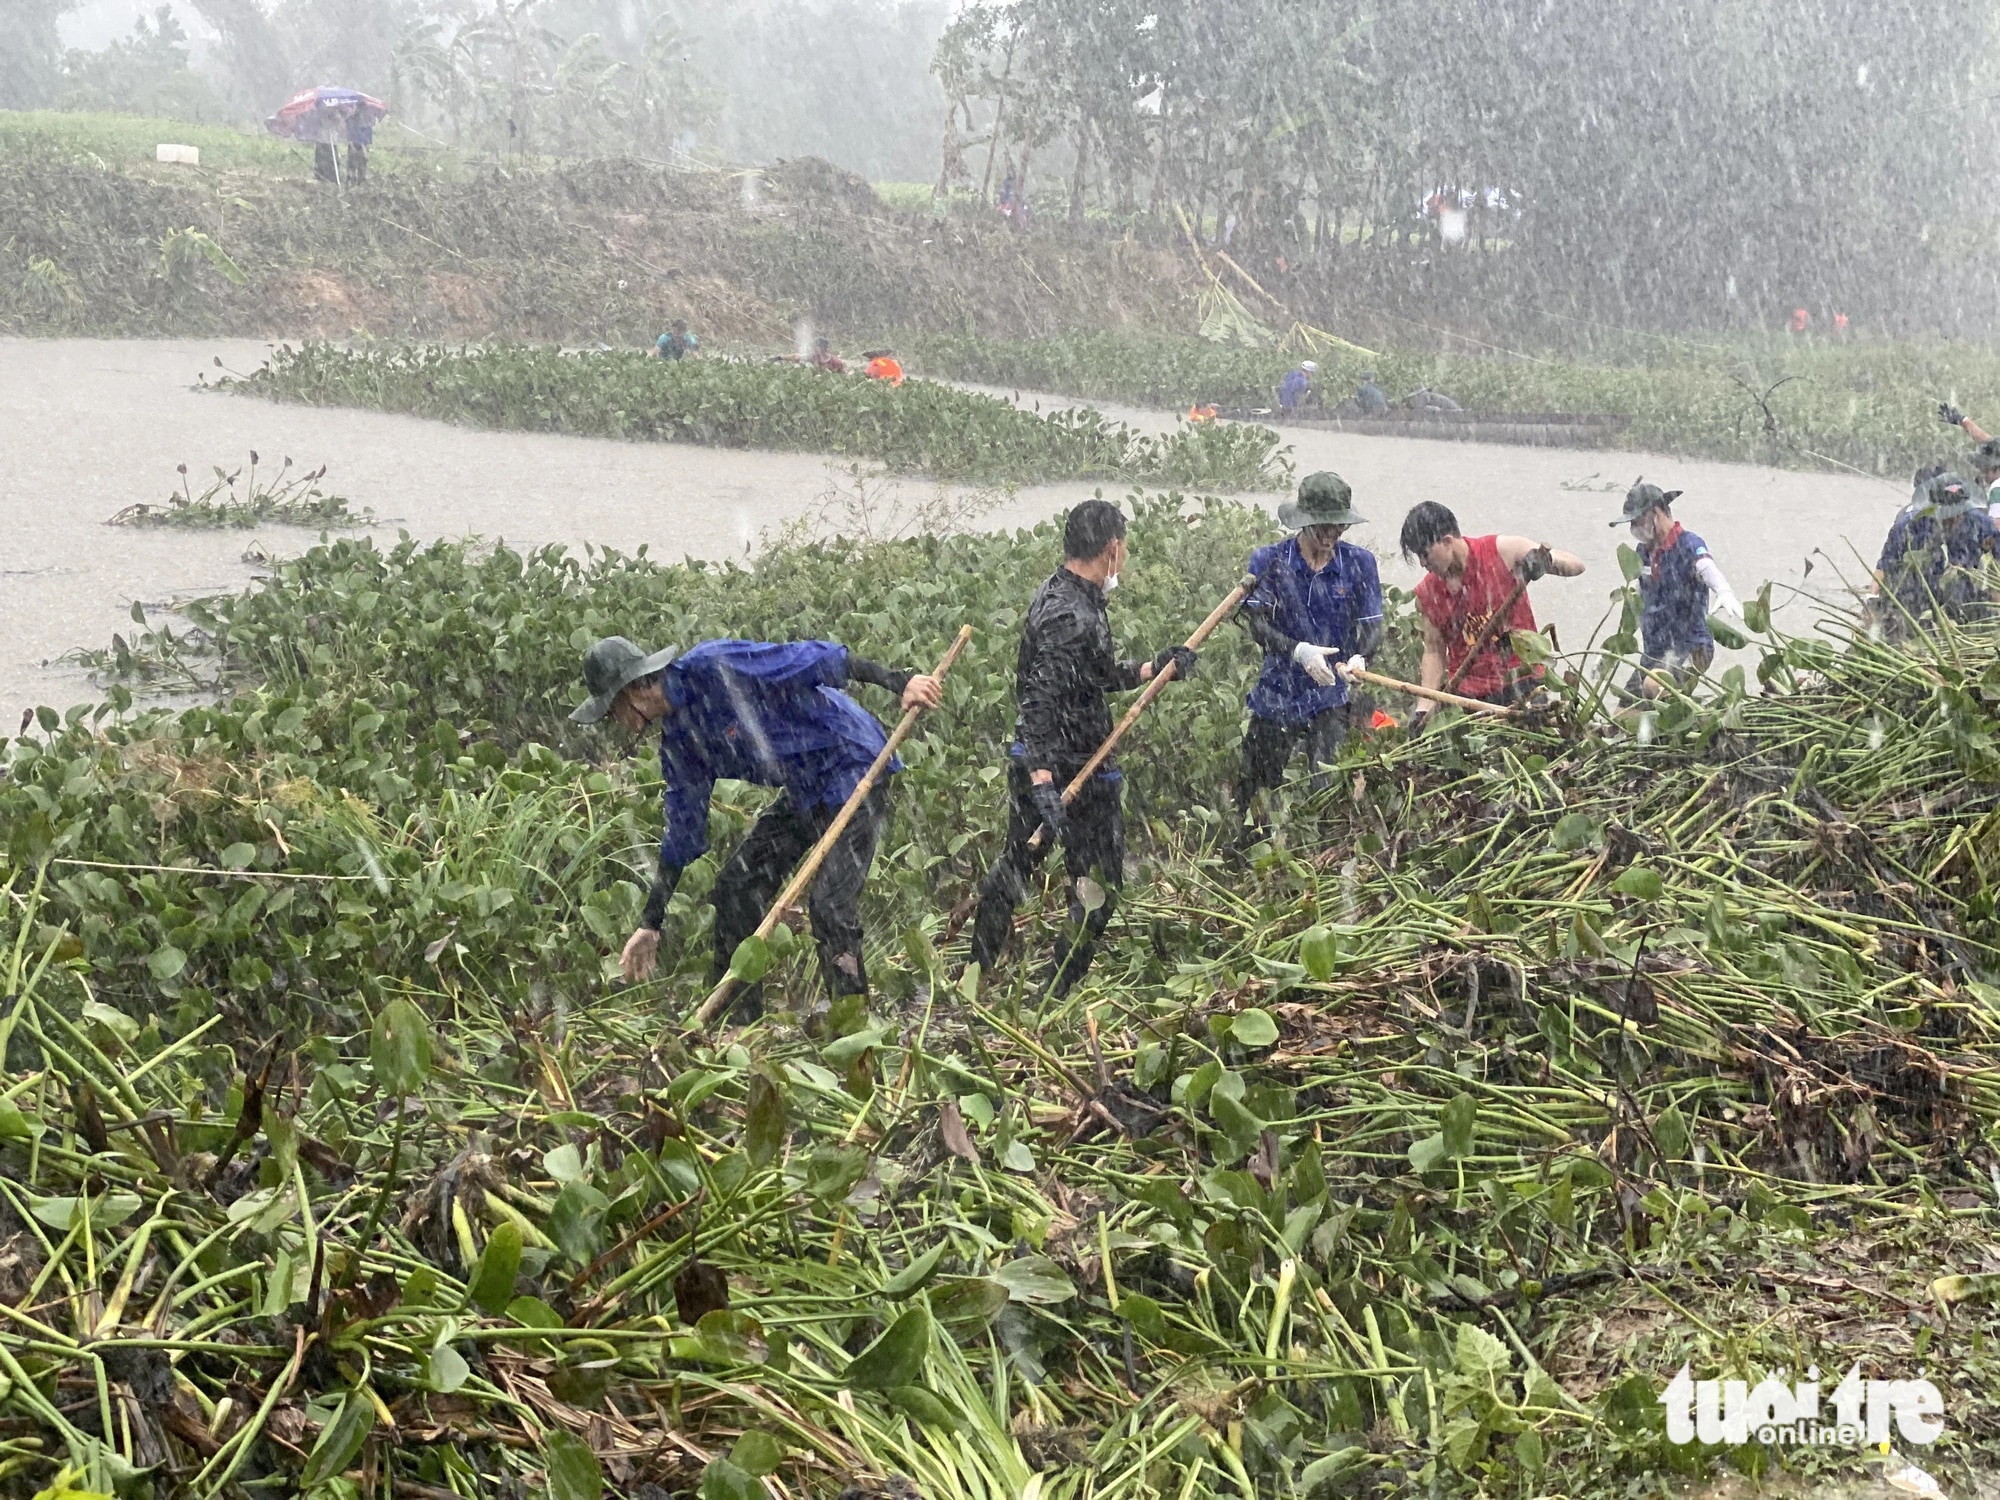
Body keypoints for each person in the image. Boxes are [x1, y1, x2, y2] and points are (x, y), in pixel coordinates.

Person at [571, 634, 943, 1023]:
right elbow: (683, 833)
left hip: (854, 762)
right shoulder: (681, 742)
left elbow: (813, 659)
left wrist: (900, 681)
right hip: (804, 786)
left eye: (612, 712)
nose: (616, 722)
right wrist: (652, 922)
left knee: (829, 906)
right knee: (736, 887)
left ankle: (854, 1025)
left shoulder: (715, 665)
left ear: (632, 691)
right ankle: (738, 1020)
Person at [966, 500, 1198, 997]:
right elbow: (1041, 700)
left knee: (1017, 866)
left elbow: (1090, 676)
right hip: (1071, 770)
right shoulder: (1071, 614)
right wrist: (1043, 781)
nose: (1126, 556)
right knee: (1097, 886)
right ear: (1112, 549)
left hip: (1056, 761)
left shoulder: (1068, 594)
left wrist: (1152, 669)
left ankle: (978, 976)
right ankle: (1049, 993)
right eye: (1126, 547)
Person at [1234, 473, 1383, 836]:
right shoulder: (1270, 561)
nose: (1332, 536)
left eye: (1339, 527)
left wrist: (1361, 658)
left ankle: (1325, 860)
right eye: (1323, 528)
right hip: (1277, 692)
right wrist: (1298, 652)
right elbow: (1257, 626)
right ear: (1305, 522)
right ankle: (1246, 852)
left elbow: (1374, 627)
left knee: (1328, 789)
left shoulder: (1359, 564)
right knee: (1254, 791)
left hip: (1330, 693)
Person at [1400, 501, 1584, 726]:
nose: (1422, 563)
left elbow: (1576, 565)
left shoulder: (1502, 552)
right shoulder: (1428, 592)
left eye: (1425, 554)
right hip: (1469, 698)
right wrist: (1424, 706)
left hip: (1522, 685)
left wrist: (1545, 562)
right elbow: (1434, 652)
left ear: (1447, 542)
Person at [1610, 481, 1743, 698]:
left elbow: (1705, 565)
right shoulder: (1643, 552)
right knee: (1619, 720)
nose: (1634, 528)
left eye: (1637, 520)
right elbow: (1637, 602)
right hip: (1654, 653)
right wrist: (1611, 652)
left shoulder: (1687, 544)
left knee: (1655, 686)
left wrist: (1724, 591)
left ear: (1656, 514)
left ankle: (1671, 723)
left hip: (1691, 648)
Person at [1873, 470, 1999, 636]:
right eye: (1946, 516)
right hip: (1916, 606)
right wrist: (1873, 607)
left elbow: (1997, 566)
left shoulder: (1981, 524)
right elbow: (1883, 570)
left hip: (1967, 605)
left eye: (1957, 515)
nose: (1952, 520)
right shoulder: (1909, 527)